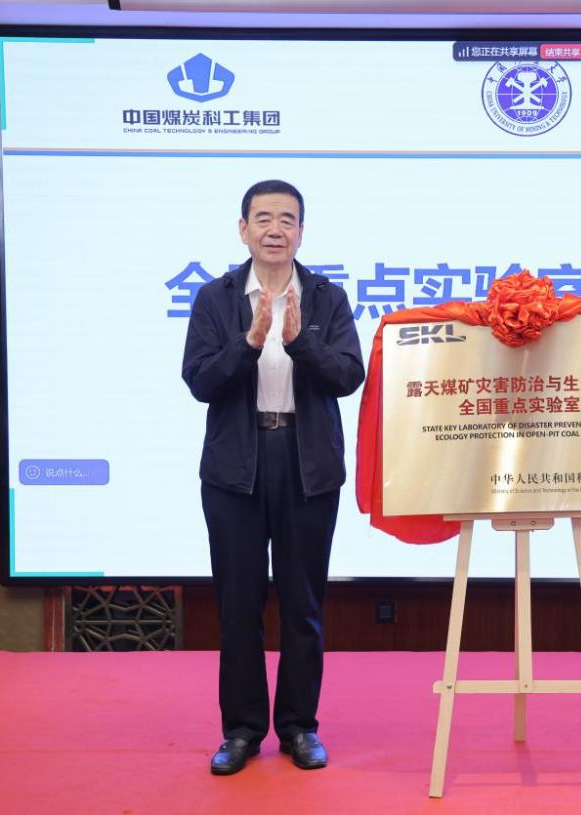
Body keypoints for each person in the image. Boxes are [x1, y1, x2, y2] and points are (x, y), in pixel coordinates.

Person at [182, 179, 364, 775]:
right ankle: (240, 731)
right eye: (263, 218)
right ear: (243, 229)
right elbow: (200, 381)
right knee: (238, 605)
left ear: (301, 231)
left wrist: (299, 342)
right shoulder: (215, 298)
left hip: (307, 464)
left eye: (287, 219)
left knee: (302, 604)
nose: (275, 229)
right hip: (236, 466)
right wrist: (250, 341)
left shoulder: (327, 298)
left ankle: (299, 727)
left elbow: (348, 376)